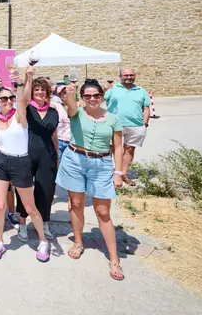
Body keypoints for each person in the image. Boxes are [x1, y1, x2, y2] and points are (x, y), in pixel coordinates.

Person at [56, 80, 125, 281]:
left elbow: (118, 147)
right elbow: (69, 103)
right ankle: (78, 242)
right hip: (75, 160)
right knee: (76, 204)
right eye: (87, 96)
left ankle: (114, 259)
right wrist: (71, 90)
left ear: (102, 96)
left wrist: (118, 172)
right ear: (82, 98)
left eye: (96, 95)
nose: (92, 99)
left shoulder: (113, 119)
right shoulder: (76, 112)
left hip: (102, 164)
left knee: (103, 211)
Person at [0, 68, 50, 262]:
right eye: (3, 98)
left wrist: (22, 82)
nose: (8, 101)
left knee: (30, 208)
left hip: (21, 162)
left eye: (10, 98)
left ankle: (43, 241)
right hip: (1, 161)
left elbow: (22, 100)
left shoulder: (19, 116)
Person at [15, 74, 59, 242]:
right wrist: (28, 79)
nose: (40, 92)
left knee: (46, 191)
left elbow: (54, 136)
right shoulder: (27, 108)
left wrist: (57, 157)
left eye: (43, 90)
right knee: (24, 190)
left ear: (48, 92)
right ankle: (22, 223)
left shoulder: (54, 111)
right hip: (27, 154)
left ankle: (44, 222)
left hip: (47, 155)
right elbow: (23, 98)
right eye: (37, 89)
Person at [105, 68, 150, 186]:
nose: (128, 77)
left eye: (131, 75)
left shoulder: (141, 91)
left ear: (135, 76)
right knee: (111, 148)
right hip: (114, 124)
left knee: (130, 148)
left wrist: (145, 124)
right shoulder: (113, 89)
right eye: (126, 75)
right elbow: (99, 100)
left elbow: (146, 109)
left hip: (136, 125)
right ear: (120, 76)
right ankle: (110, 173)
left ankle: (123, 173)